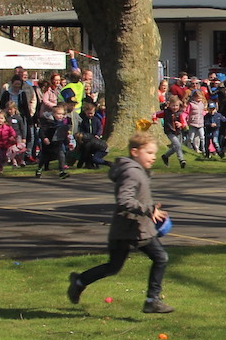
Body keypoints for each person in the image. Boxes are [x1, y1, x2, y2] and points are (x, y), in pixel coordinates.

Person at [66, 132, 174, 314]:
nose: (153, 157)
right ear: (134, 152)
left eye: (154, 153)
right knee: (123, 265)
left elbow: (137, 198)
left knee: (150, 259)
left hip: (139, 228)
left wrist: (152, 208)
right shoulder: (131, 172)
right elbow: (124, 200)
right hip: (127, 229)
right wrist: (148, 210)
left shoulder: (138, 171)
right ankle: (80, 282)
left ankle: (151, 300)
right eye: (149, 152)